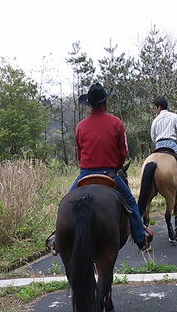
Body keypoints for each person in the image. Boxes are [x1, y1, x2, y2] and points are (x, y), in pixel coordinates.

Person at [68, 83, 152, 252]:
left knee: (66, 202)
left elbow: (79, 154)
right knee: (130, 202)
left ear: (89, 105)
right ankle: (140, 238)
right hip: (110, 174)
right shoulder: (116, 123)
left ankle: (57, 238)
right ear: (105, 103)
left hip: (84, 175)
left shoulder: (80, 127)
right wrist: (117, 166)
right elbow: (123, 152)